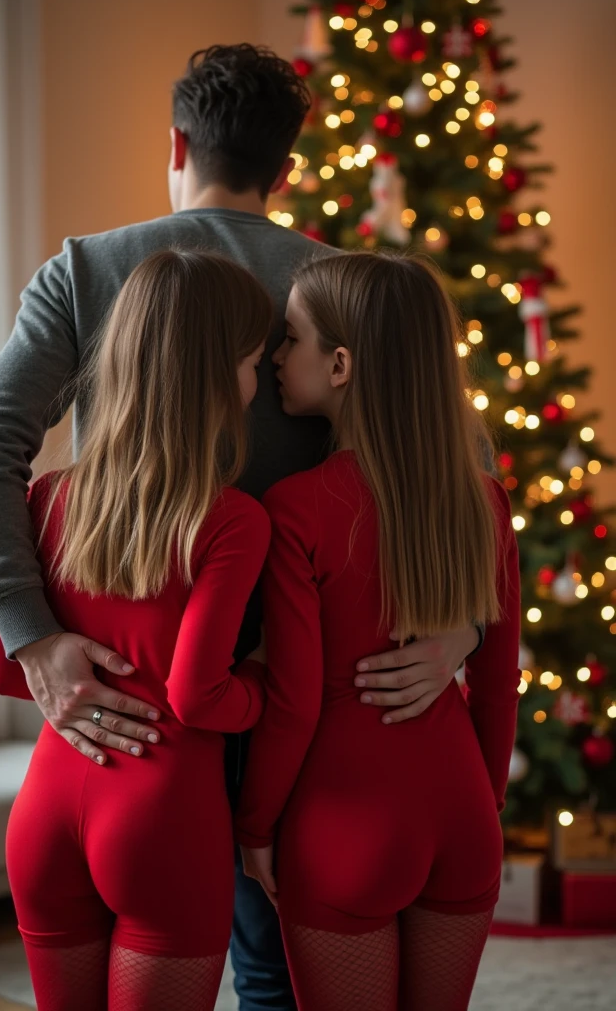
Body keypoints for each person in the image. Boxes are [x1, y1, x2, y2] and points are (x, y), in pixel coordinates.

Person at [0, 45, 485, 1010]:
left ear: (176, 143)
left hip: (128, 694)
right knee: (278, 967)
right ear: (285, 168)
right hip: (299, 689)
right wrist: (465, 621)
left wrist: (32, 635)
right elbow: (456, 461)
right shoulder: (341, 283)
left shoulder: (87, 269)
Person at [236, 251, 521, 1011]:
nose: (273, 356)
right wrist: (483, 801)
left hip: (343, 824)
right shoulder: (484, 500)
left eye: (289, 338)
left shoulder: (295, 510)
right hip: (460, 812)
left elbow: (293, 701)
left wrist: (256, 825)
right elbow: (498, 682)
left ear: (339, 364)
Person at [0, 249, 273, 1010]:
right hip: (162, 819)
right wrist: (262, 683)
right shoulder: (232, 521)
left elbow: (2, 667)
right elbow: (197, 696)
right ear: (218, 377)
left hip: (46, 810)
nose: (259, 382)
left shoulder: (48, 496)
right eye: (252, 362)